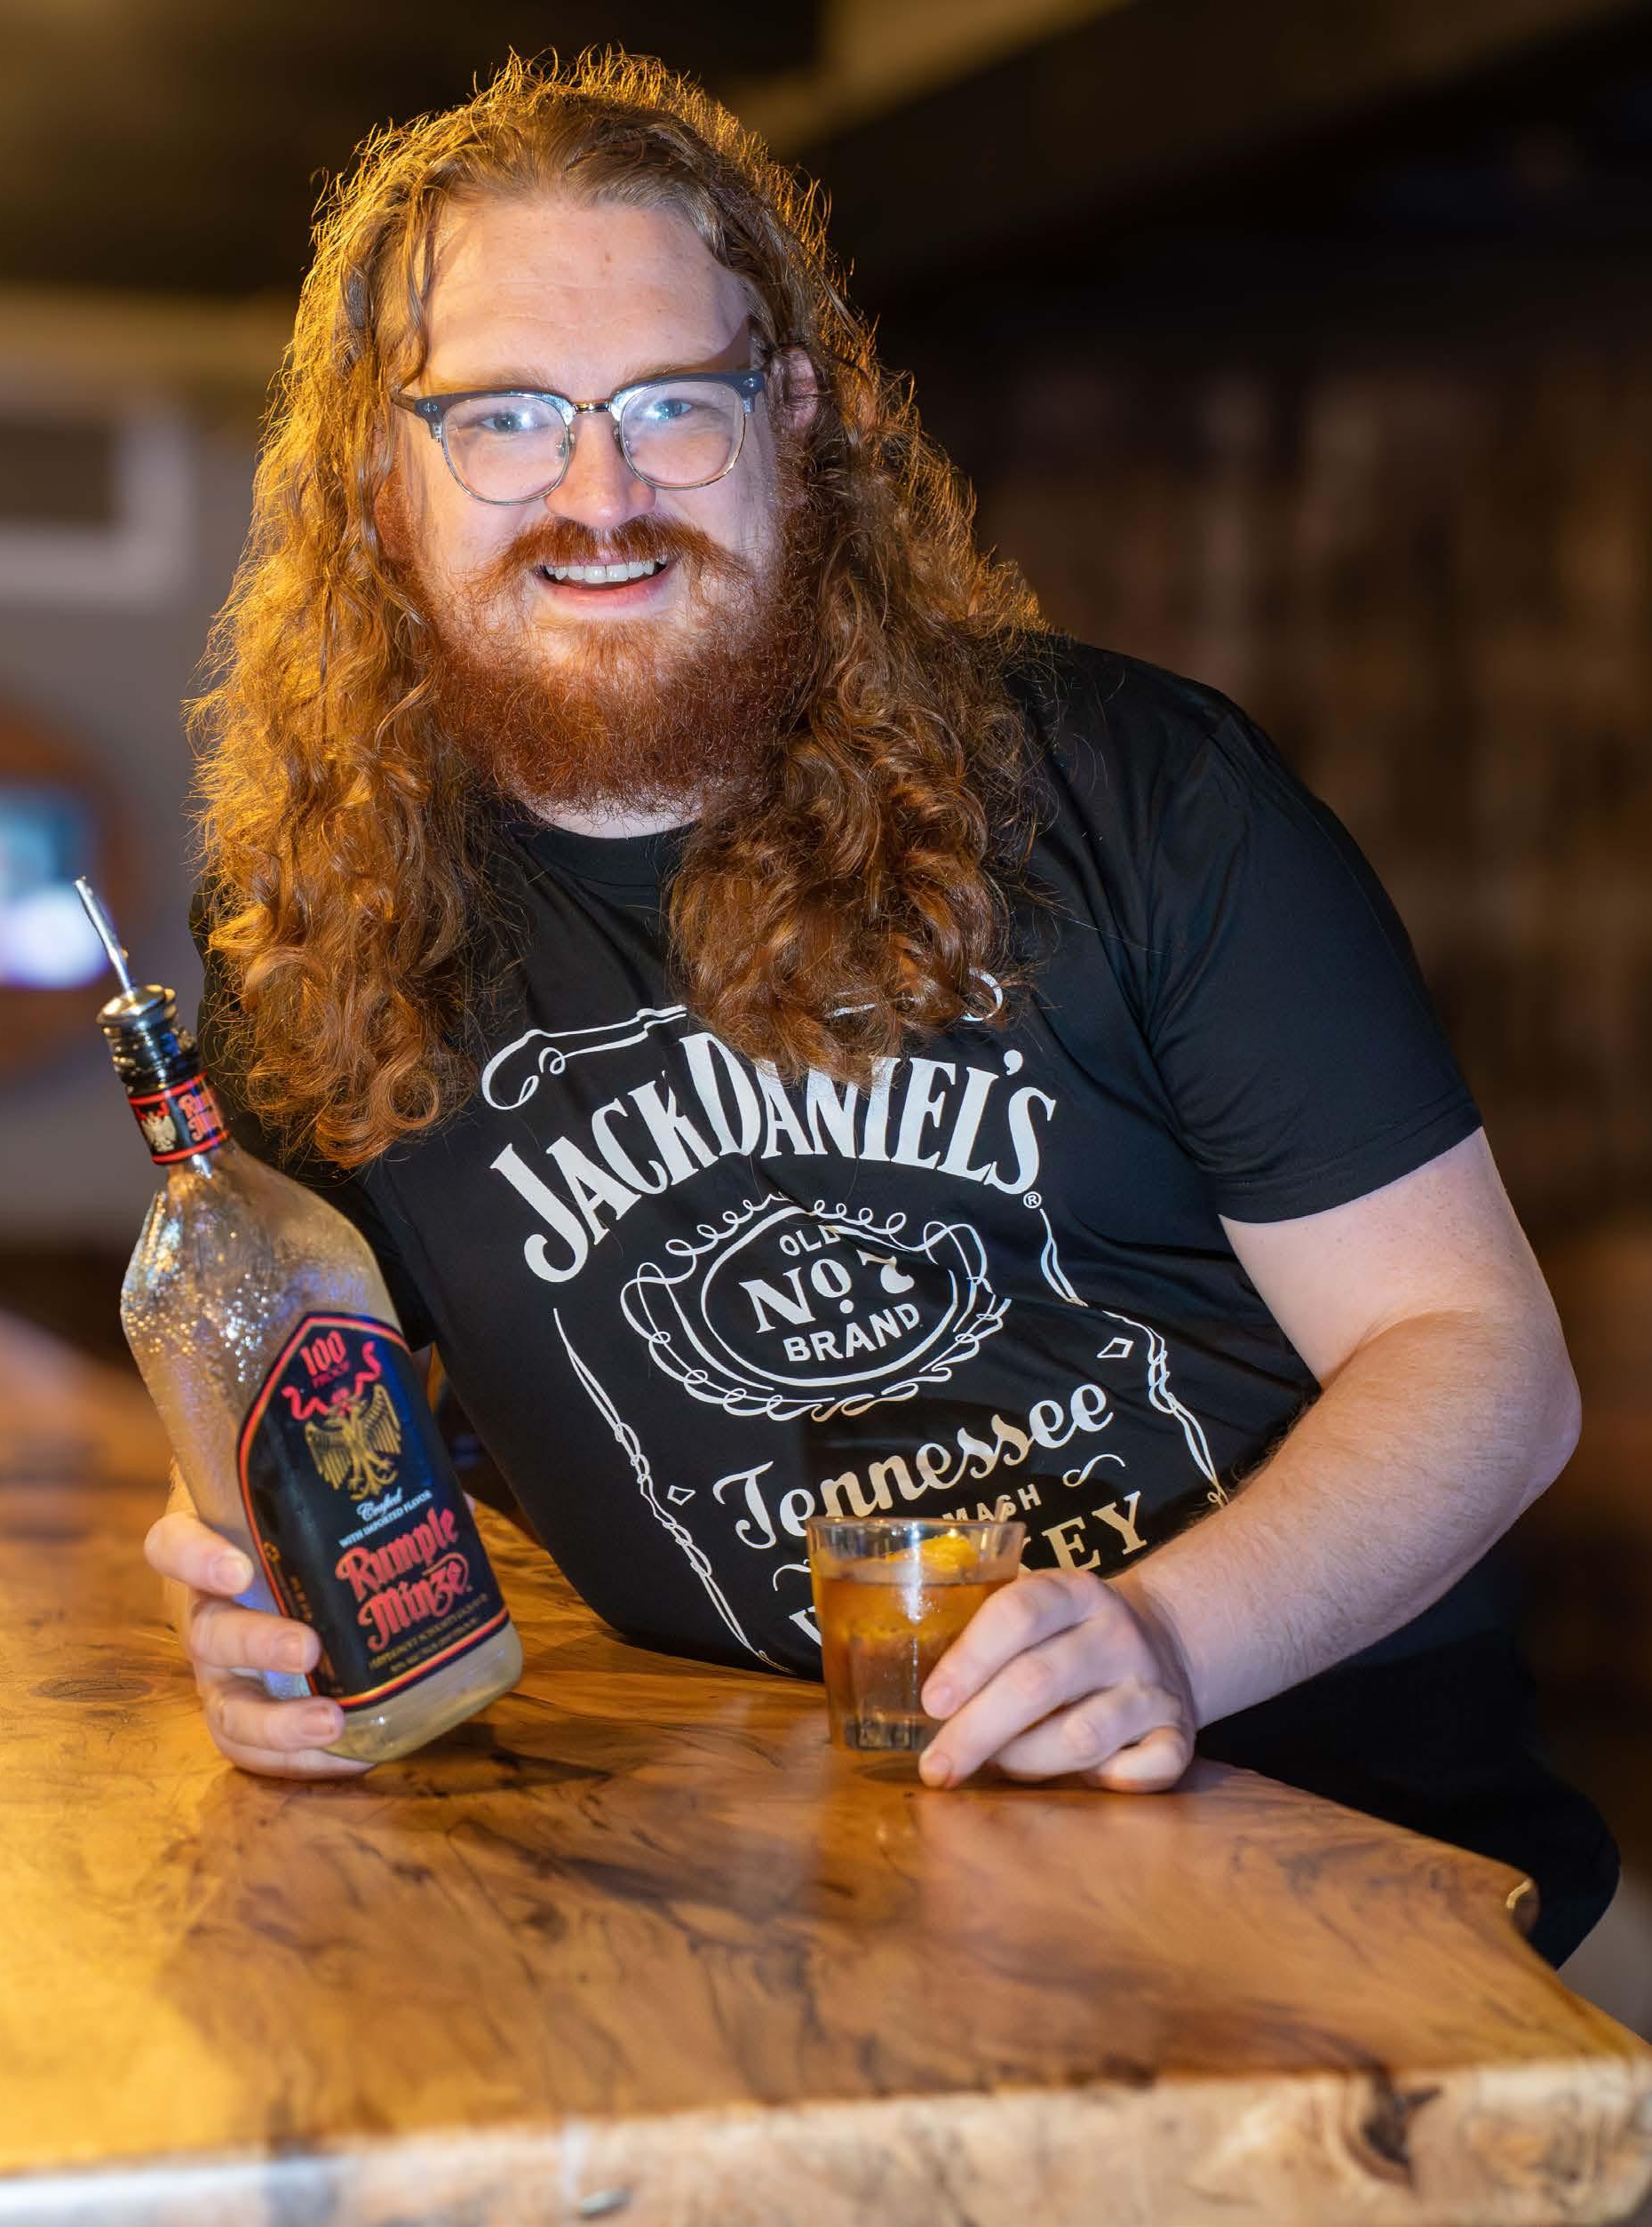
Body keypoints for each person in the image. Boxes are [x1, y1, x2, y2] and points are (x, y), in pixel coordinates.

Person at [146, 52, 1616, 1964]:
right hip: (781, 1905)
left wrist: (1167, 1639)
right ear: (380, 482)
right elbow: (289, 1420)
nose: (599, 496)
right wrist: (252, 1617)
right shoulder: (319, 934)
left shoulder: (1137, 796)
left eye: (671, 404)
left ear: (796, 419)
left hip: (1326, 1865)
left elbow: (1482, 1361)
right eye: (501, 418)